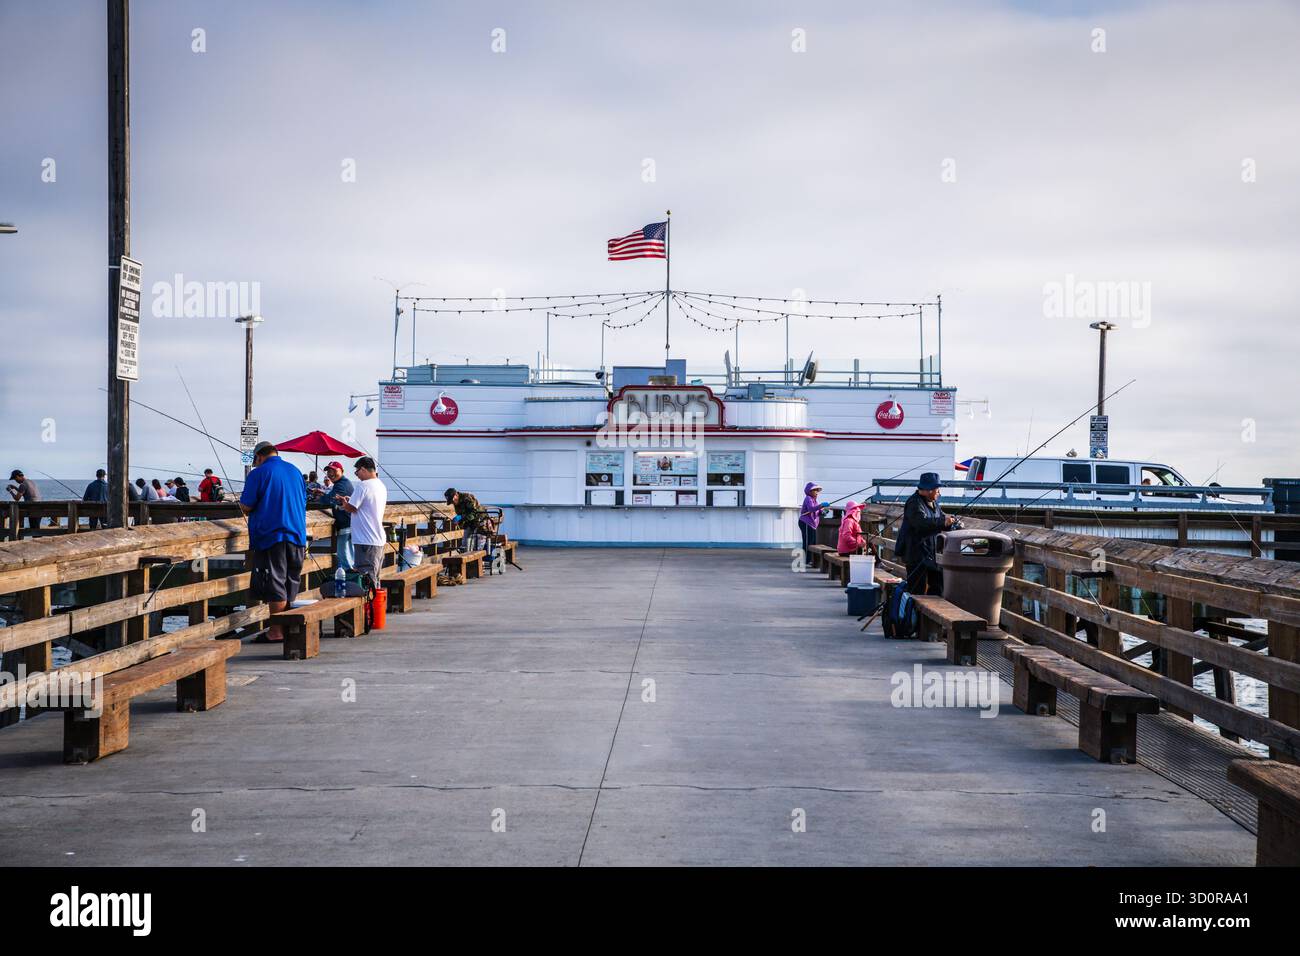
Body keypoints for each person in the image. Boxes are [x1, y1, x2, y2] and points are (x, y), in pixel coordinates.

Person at [239, 442, 307, 644]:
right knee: (290, 581)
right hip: (297, 535)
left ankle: (277, 631)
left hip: (272, 536)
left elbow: (246, 505)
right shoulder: (295, 471)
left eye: (255, 461)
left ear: (259, 457)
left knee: (274, 582)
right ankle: (288, 628)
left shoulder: (258, 473)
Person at [896, 472, 955, 596]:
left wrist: (952, 524)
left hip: (931, 554)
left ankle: (931, 614)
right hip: (916, 555)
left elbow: (941, 519)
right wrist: (943, 522)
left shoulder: (934, 504)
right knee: (917, 591)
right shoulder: (914, 503)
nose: (939, 493)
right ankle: (914, 615)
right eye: (937, 489)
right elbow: (921, 523)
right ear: (929, 490)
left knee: (938, 587)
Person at [338, 457, 387, 584]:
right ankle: (376, 603)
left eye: (357, 472)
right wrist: (351, 500)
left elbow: (351, 508)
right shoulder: (380, 485)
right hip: (378, 539)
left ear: (363, 469)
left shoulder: (363, 485)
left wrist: (344, 503)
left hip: (365, 540)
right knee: (375, 577)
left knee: (366, 580)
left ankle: (370, 604)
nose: (357, 475)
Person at [311, 460, 354, 573]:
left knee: (345, 557)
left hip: (346, 525)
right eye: (329, 471)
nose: (330, 473)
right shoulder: (341, 483)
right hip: (348, 525)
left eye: (334, 470)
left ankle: (350, 584)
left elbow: (331, 499)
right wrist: (323, 494)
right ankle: (351, 582)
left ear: (342, 471)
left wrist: (320, 497)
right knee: (347, 556)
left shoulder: (342, 485)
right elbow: (331, 497)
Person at [445, 487, 493, 553]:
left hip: (481, 521)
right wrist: (458, 521)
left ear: (456, 495)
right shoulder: (456, 504)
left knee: (478, 547)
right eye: (451, 502)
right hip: (470, 523)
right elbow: (463, 516)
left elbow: (473, 513)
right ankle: (466, 558)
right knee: (465, 544)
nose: (453, 503)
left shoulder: (467, 498)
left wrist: (461, 517)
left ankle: (479, 560)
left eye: (452, 500)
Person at [798, 481, 824, 555]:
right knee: (807, 542)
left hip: (812, 524)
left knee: (812, 542)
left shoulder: (815, 500)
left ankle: (811, 559)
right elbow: (811, 509)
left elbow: (817, 511)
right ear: (809, 491)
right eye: (815, 490)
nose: (817, 492)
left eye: (817, 490)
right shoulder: (808, 498)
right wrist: (821, 505)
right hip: (806, 523)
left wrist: (822, 512)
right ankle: (806, 559)